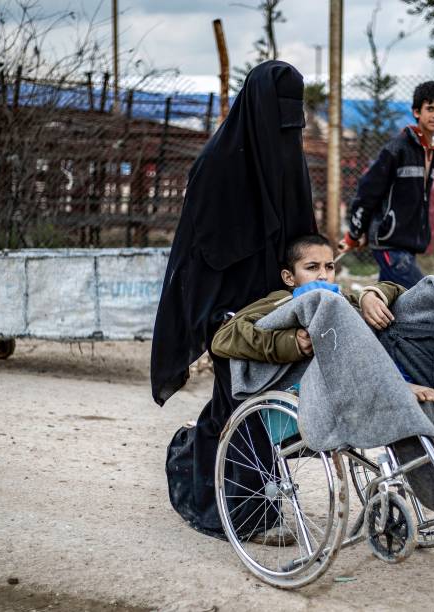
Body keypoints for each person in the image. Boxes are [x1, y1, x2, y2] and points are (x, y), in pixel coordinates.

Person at [150, 60, 317, 538]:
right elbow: (205, 253)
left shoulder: (289, 161)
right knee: (245, 397)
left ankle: (199, 473)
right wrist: (227, 313)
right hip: (222, 306)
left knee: (247, 403)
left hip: (277, 302)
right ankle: (246, 514)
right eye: (281, 116)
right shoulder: (217, 167)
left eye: (296, 118)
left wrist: (306, 283)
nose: (289, 129)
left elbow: (300, 234)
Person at [212, 233, 434, 489]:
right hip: (317, 393)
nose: (323, 274)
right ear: (289, 276)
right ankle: (400, 387)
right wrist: (288, 342)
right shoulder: (279, 301)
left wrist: (370, 294)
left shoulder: (341, 300)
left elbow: (397, 291)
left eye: (330, 266)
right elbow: (223, 338)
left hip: (370, 376)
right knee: (334, 311)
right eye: (312, 267)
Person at [340, 81, 434, 288]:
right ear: (416, 112)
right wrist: (355, 233)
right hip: (389, 241)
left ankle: (370, 320)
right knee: (423, 294)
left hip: (408, 242)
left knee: (390, 301)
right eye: (430, 109)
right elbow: (367, 190)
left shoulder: (432, 152)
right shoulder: (397, 149)